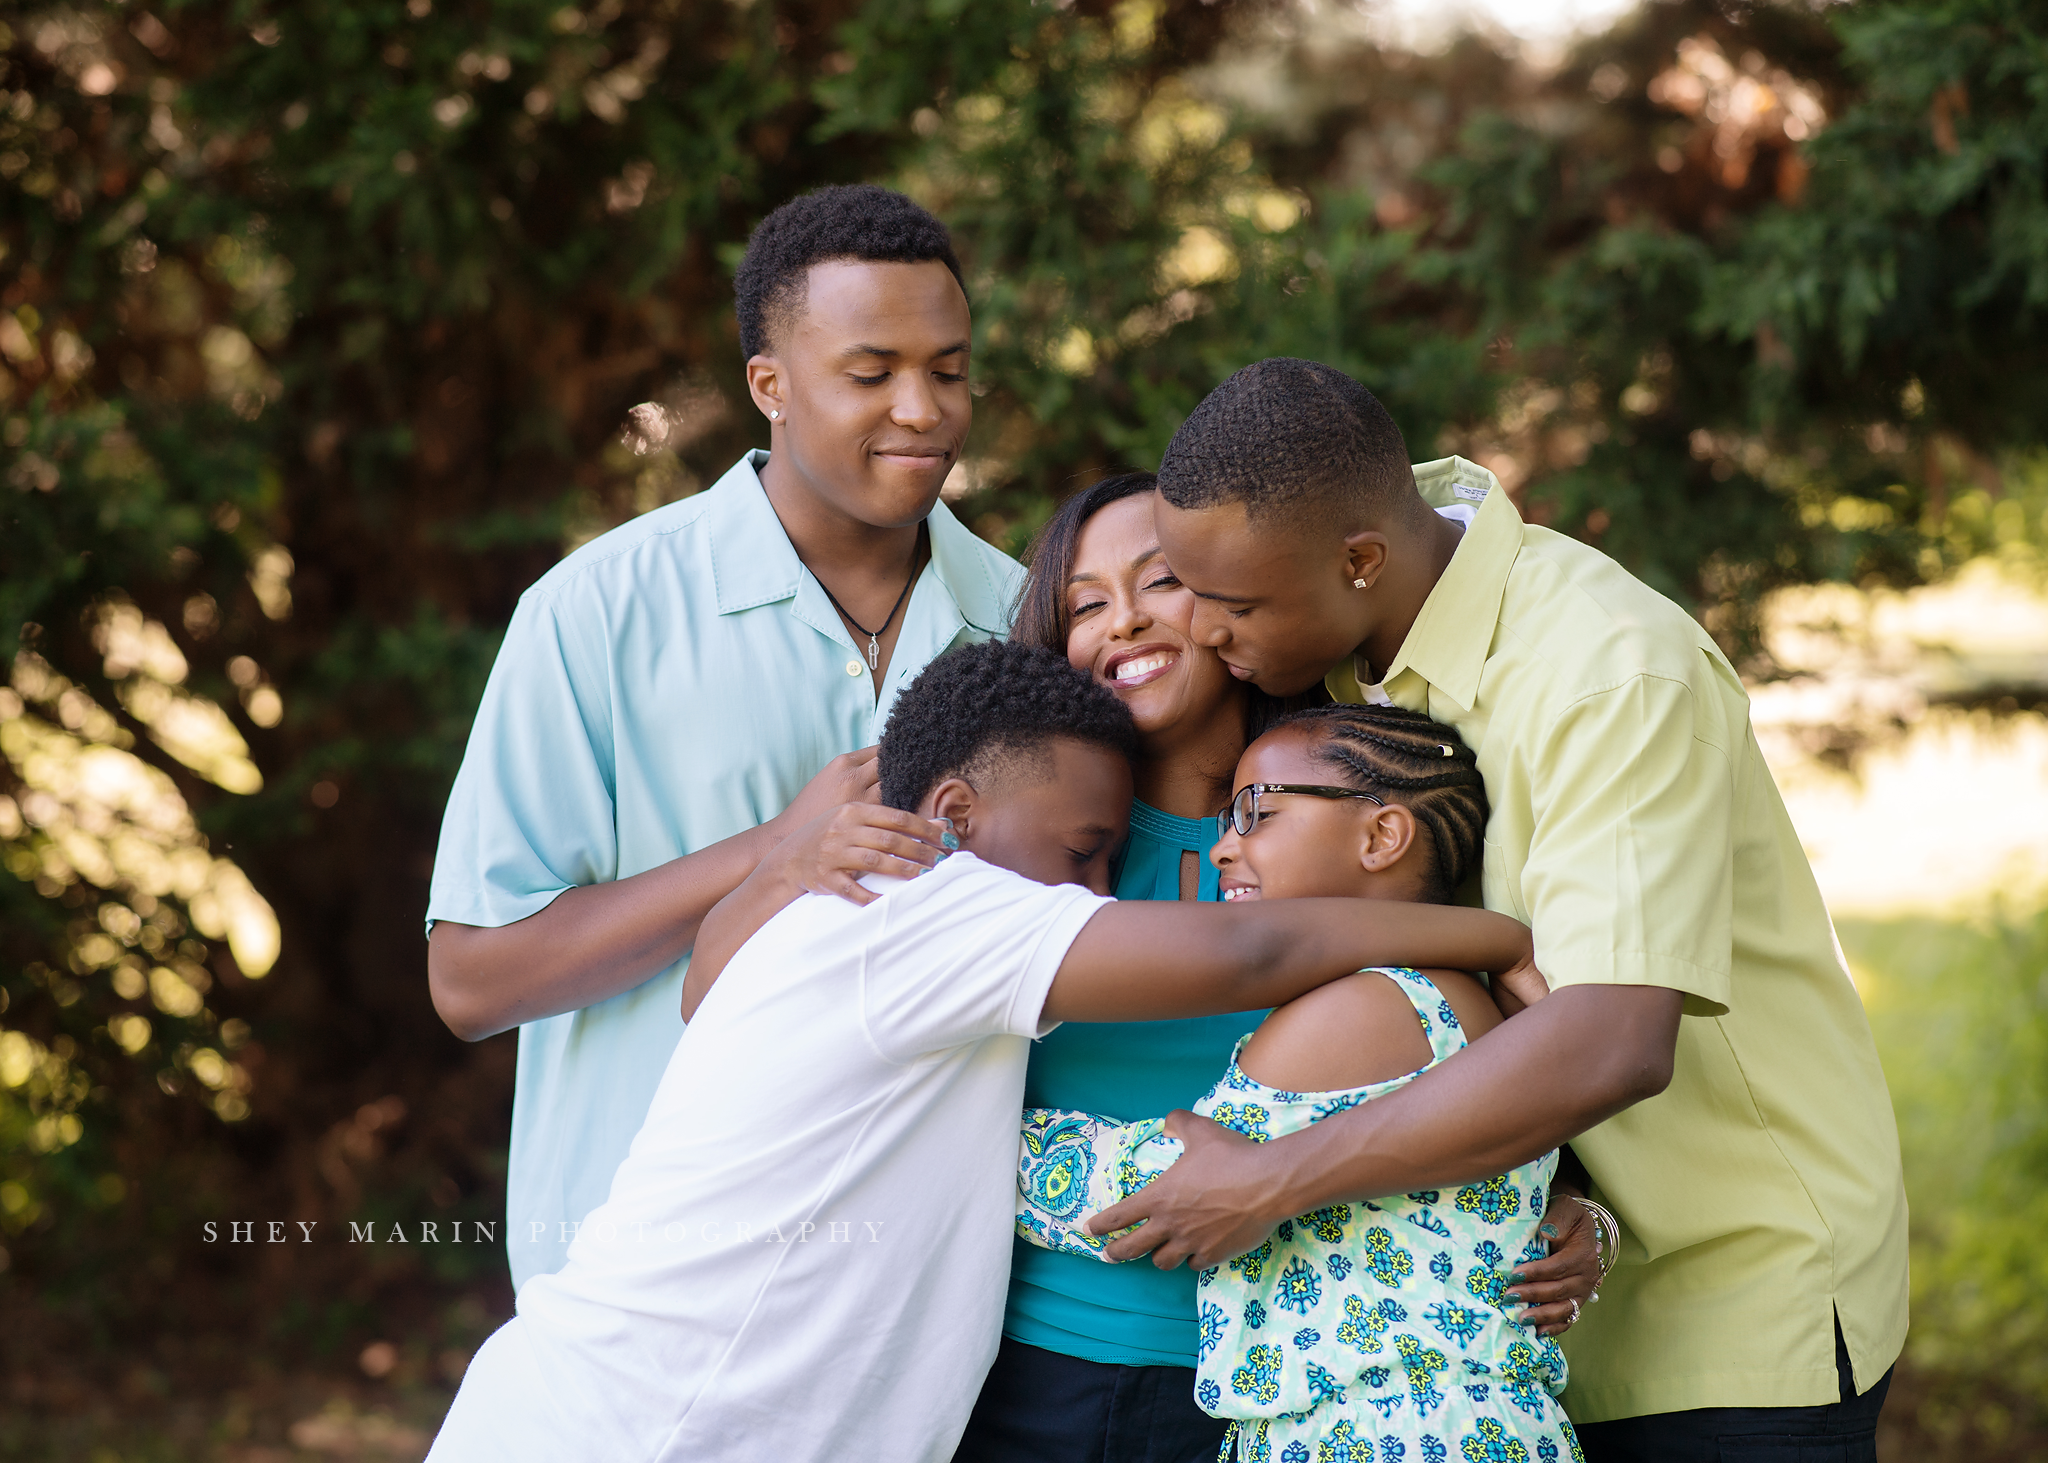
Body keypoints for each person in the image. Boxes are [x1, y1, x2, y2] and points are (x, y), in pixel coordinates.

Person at [426, 640, 1543, 1463]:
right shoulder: (927, 906)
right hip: (651, 1428)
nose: (1098, 894)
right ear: (952, 812)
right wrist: (1501, 939)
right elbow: (1253, 946)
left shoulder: (875, 924)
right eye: (1082, 851)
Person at [1099, 358, 1909, 1459]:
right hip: (1495, 1334)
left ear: (1359, 560)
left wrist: (1267, 1178)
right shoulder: (1340, 662)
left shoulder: (1604, 672)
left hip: (1724, 1306)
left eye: (1230, 603)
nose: (1196, 628)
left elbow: (1609, 1041)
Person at [423, 184, 1018, 1288]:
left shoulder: (1025, 620)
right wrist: (769, 853)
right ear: (769, 385)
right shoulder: (596, 608)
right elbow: (472, 980)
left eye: (947, 367)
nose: (925, 407)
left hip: (921, 1283)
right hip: (646, 1273)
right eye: (871, 371)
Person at [961, 471, 1598, 1463]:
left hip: (1281, 1401)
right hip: (1043, 1365)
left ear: (1231, 597)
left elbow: (1508, 1063)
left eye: (1158, 580)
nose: (1120, 623)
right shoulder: (1041, 843)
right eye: (1084, 602)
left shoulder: (1335, 823)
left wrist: (1559, 1199)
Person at [1017, 704, 1589, 1463]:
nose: (1224, 846)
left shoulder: (1365, 1012)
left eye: (1258, 812)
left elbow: (1149, 1196)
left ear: (1381, 836)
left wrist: (947, 1124)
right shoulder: (1457, 996)